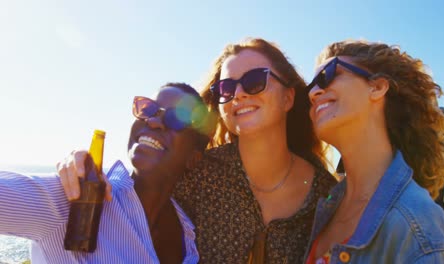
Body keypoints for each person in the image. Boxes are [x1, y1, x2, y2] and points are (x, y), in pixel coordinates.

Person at [58, 38, 337, 263]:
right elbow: (130, 195)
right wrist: (80, 165)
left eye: (255, 80)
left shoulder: (325, 194)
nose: (238, 93)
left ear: (288, 97)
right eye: (226, 88)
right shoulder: (199, 172)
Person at [0, 82, 215, 263]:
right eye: (147, 109)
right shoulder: (75, 196)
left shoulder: (189, 234)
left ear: (193, 158)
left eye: (176, 118)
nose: (153, 121)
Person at [304, 40, 444, 263]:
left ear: (377, 87)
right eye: (310, 86)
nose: (313, 92)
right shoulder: (324, 208)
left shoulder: (417, 227)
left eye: (327, 75)